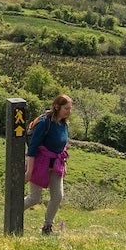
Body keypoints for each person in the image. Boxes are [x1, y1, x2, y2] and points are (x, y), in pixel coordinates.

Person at [24, 93, 72, 234]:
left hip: (56, 165)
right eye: (66, 108)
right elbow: (32, 148)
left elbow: (63, 145)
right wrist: (29, 171)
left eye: (70, 109)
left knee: (57, 196)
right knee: (34, 198)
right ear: (57, 107)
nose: (69, 112)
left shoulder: (64, 124)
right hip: (40, 164)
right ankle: (12, 213)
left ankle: (47, 227)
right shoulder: (44, 123)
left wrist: (65, 165)